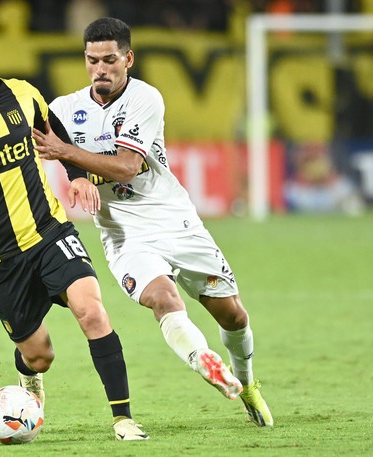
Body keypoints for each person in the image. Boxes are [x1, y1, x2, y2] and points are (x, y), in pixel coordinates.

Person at [32, 17, 273, 427]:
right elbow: (47, 141)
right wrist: (74, 177)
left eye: (109, 59)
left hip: (174, 220)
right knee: (163, 300)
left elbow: (126, 168)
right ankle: (204, 361)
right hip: (124, 234)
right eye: (92, 60)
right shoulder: (64, 109)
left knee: (232, 315)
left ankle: (248, 383)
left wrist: (67, 156)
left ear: (128, 58)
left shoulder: (145, 98)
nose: (100, 69)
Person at [0, 29, 148, 441]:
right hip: (1, 260)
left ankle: (123, 418)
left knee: (92, 312)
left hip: (49, 232)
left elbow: (57, 139)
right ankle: (28, 375)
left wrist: (77, 176)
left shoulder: (23, 94)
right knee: (40, 356)